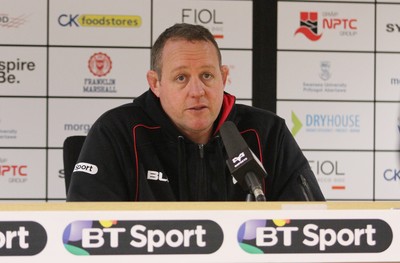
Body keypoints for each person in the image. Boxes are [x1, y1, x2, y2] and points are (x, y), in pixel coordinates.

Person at [67, 23, 325, 202]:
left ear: (223, 77)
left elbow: (311, 225)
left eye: (207, 75)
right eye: (181, 77)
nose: (197, 90)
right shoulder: (117, 131)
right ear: (155, 83)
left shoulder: (268, 132)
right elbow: (89, 233)